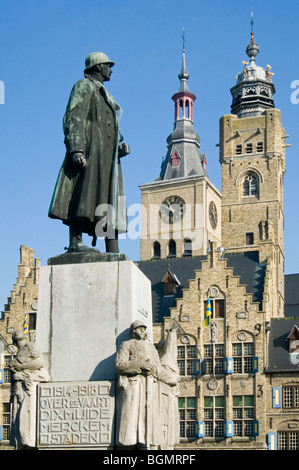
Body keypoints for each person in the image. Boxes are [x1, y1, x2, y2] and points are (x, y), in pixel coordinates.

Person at [48, 52, 130, 253]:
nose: (110, 69)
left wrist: (118, 148)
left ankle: (112, 248)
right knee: (81, 194)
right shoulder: (83, 86)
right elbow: (73, 117)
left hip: (106, 158)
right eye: (107, 65)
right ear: (97, 66)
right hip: (90, 151)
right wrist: (76, 148)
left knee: (108, 199)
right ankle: (75, 241)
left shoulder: (106, 94)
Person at [115, 321, 178, 448]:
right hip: (134, 385)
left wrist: (159, 372)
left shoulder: (151, 347)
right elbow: (120, 365)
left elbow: (158, 366)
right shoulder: (126, 345)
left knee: (148, 419)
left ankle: (146, 443)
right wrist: (139, 365)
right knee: (131, 416)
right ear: (133, 332)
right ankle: (129, 445)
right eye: (140, 329)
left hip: (150, 386)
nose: (143, 331)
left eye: (144, 329)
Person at [10, 331, 50, 449]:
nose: (17, 333)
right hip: (18, 391)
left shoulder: (30, 346)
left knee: (26, 420)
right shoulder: (19, 351)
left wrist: (20, 367)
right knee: (19, 422)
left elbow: (40, 362)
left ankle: (27, 442)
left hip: (27, 389)